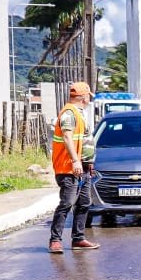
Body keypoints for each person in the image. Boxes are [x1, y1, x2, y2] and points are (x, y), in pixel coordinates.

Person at [48, 80, 99, 253]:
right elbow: (67, 137)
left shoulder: (79, 113)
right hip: (68, 167)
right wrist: (76, 160)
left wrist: (88, 161)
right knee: (67, 202)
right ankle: (55, 240)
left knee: (84, 202)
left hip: (82, 167)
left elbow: (83, 140)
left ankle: (78, 239)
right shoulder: (69, 113)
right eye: (88, 96)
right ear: (84, 97)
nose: (89, 99)